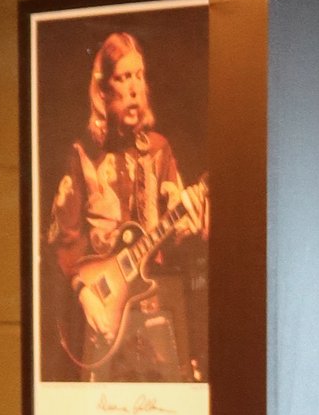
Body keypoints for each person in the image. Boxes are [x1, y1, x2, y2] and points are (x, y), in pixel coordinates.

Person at [43, 28, 206, 383]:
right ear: (103, 90)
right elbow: (62, 240)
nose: (133, 89)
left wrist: (189, 225)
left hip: (157, 311)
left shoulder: (161, 149)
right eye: (122, 78)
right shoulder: (83, 155)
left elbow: (176, 240)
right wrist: (84, 295)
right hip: (102, 317)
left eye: (139, 76)